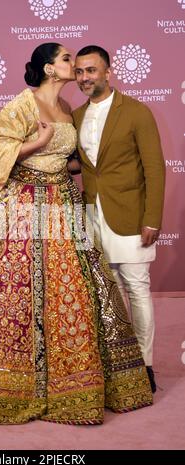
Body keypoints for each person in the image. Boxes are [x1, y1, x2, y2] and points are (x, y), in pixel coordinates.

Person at [0, 43, 153, 426]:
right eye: (66, 59)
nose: (74, 64)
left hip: (64, 206)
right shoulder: (25, 104)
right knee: (13, 294)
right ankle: (7, 383)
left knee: (70, 294)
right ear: (49, 69)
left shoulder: (68, 111)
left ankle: (72, 383)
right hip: (23, 207)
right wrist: (36, 144)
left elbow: (68, 160)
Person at [73, 45, 166, 394]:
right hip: (92, 217)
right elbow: (81, 165)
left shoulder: (137, 112)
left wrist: (152, 218)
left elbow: (155, 169)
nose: (84, 78)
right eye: (80, 72)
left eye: (91, 71)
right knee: (104, 294)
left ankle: (145, 365)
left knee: (137, 290)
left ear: (108, 72)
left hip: (129, 215)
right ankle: (115, 365)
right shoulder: (77, 116)